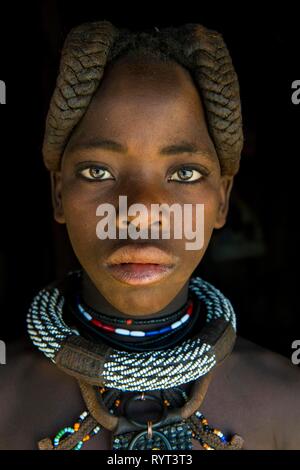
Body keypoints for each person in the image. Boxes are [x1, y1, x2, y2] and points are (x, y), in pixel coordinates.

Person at [0, 20, 299, 451]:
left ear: (222, 200)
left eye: (184, 172)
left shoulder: (290, 408)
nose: (140, 214)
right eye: (98, 171)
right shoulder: (6, 400)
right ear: (59, 194)